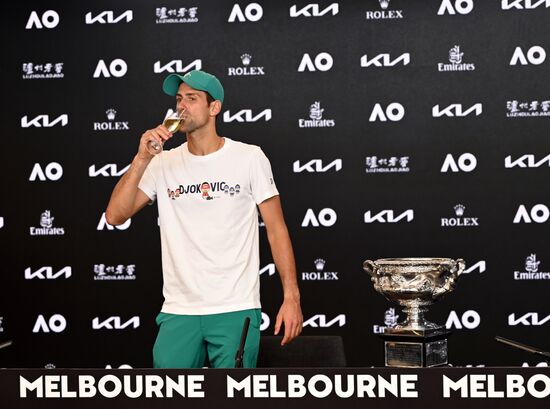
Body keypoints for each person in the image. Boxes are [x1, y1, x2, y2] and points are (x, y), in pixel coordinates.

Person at [105, 70, 303, 368]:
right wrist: (142, 158)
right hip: (179, 310)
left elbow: (276, 230)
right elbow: (115, 215)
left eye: (192, 99)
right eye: (179, 99)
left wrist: (292, 298)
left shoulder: (249, 157)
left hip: (235, 308)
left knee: (233, 401)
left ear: (215, 108)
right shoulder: (163, 162)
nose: (182, 107)